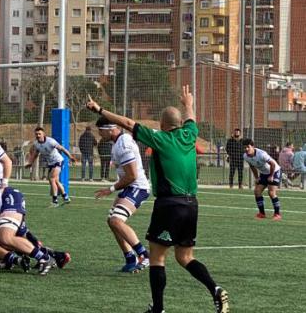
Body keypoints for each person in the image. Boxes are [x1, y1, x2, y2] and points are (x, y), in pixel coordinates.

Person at [86, 86, 229, 313]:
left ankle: (158, 309)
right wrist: (188, 103)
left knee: (156, 257)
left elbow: (128, 123)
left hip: (169, 205)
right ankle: (215, 289)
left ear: (162, 124)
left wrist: (100, 109)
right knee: (184, 257)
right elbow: (191, 118)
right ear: (180, 124)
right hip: (192, 204)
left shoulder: (160, 138)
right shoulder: (189, 134)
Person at [93, 116, 150, 273]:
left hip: (138, 187)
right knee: (111, 221)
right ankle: (130, 258)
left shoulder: (123, 143)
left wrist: (110, 189)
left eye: (101, 131)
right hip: (130, 187)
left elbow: (132, 175)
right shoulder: (119, 142)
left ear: (110, 129)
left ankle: (144, 255)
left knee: (116, 221)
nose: (100, 135)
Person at [25, 127, 75, 207]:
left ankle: (55, 201)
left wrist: (70, 156)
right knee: (56, 181)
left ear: (43, 134)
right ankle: (66, 197)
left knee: (51, 178)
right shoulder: (36, 144)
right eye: (36, 134)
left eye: (39, 134)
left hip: (58, 161)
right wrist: (30, 163)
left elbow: (62, 149)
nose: (38, 135)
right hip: (51, 163)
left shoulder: (50, 141)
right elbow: (35, 154)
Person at [241, 138, 282, 220]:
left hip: (274, 171)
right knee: (257, 191)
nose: (246, 149)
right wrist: (257, 177)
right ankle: (262, 213)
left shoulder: (261, 154)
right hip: (264, 173)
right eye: (245, 147)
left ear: (253, 146)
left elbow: (273, 164)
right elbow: (252, 166)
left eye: (248, 147)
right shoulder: (245, 156)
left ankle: (277, 214)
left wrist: (271, 176)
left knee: (271, 192)